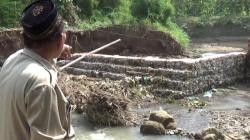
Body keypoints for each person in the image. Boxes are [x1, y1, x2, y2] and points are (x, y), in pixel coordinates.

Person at [0, 0, 75, 140]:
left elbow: (39, 58)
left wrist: (58, 49)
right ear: (60, 39)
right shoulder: (41, 85)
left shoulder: (12, 60)